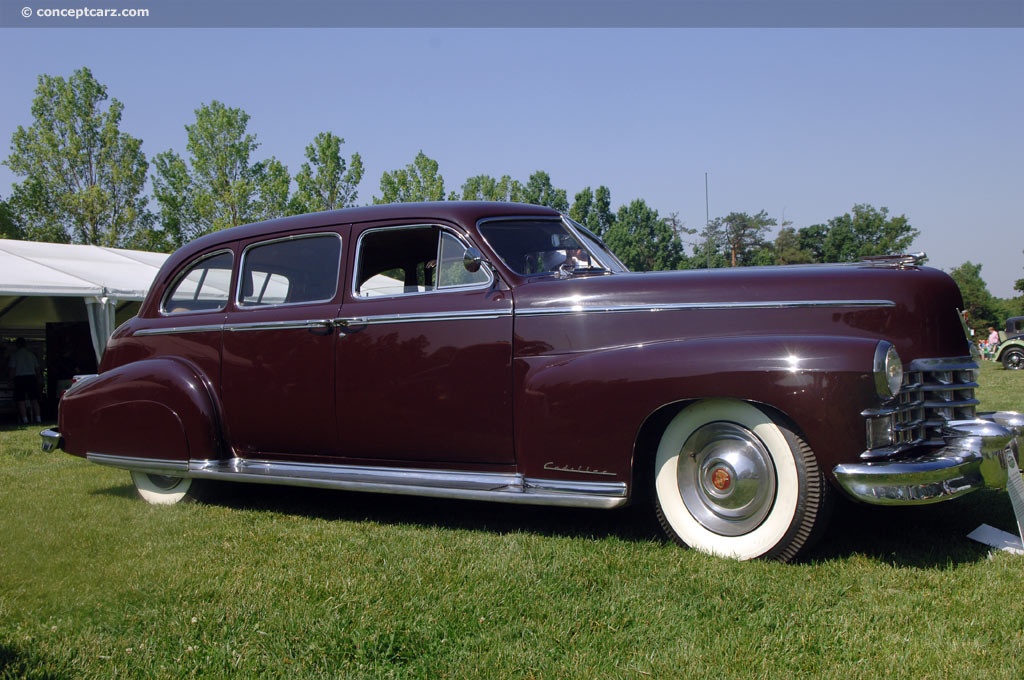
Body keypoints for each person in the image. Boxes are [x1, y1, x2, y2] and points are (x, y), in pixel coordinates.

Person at [9, 337, 42, 424]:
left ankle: (25, 419)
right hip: (31, 377)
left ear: (17, 345)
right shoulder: (31, 355)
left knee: (21, 400)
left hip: (20, 378)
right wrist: (39, 378)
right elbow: (37, 368)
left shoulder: (15, 355)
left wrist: (11, 379)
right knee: (34, 399)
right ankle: (38, 418)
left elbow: (12, 369)